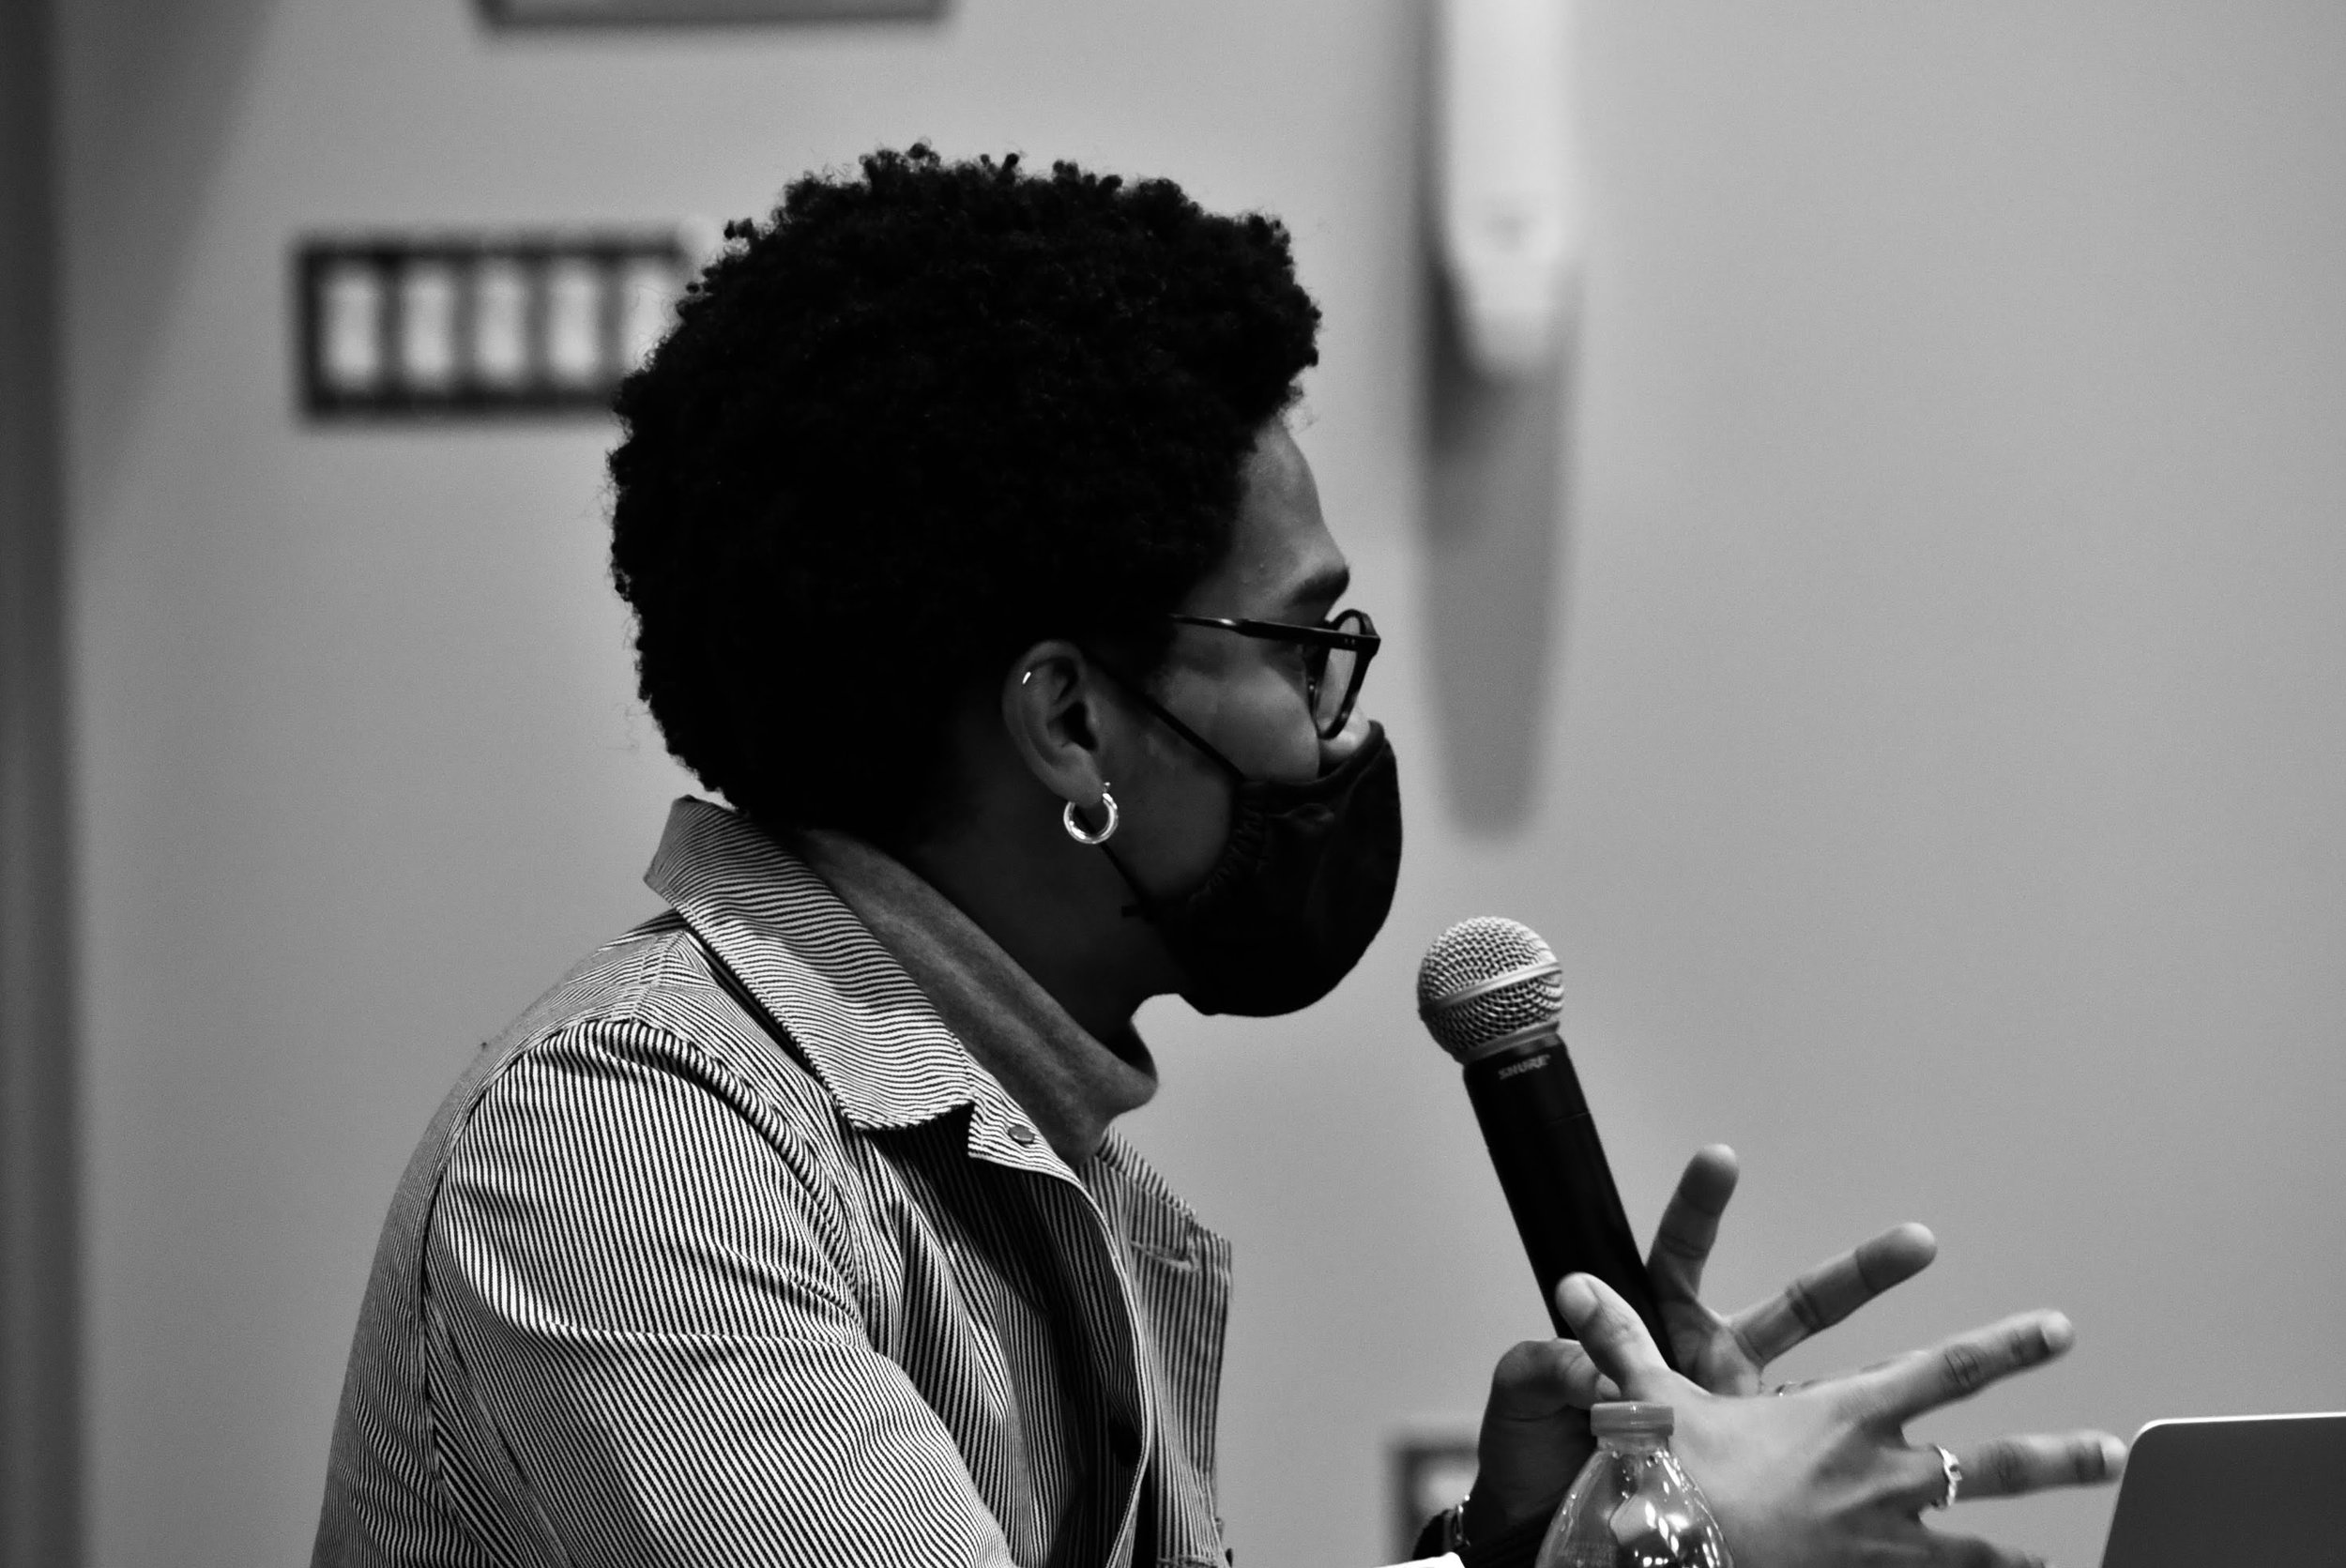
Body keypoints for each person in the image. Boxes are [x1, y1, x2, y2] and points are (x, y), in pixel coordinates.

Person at [312, 146, 2123, 1568]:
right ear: (1071, 724)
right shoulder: (632, 1151)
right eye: (1304, 644)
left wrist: (1520, 1549)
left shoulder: (1023, 1156)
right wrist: (1669, 1559)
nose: (1339, 729)